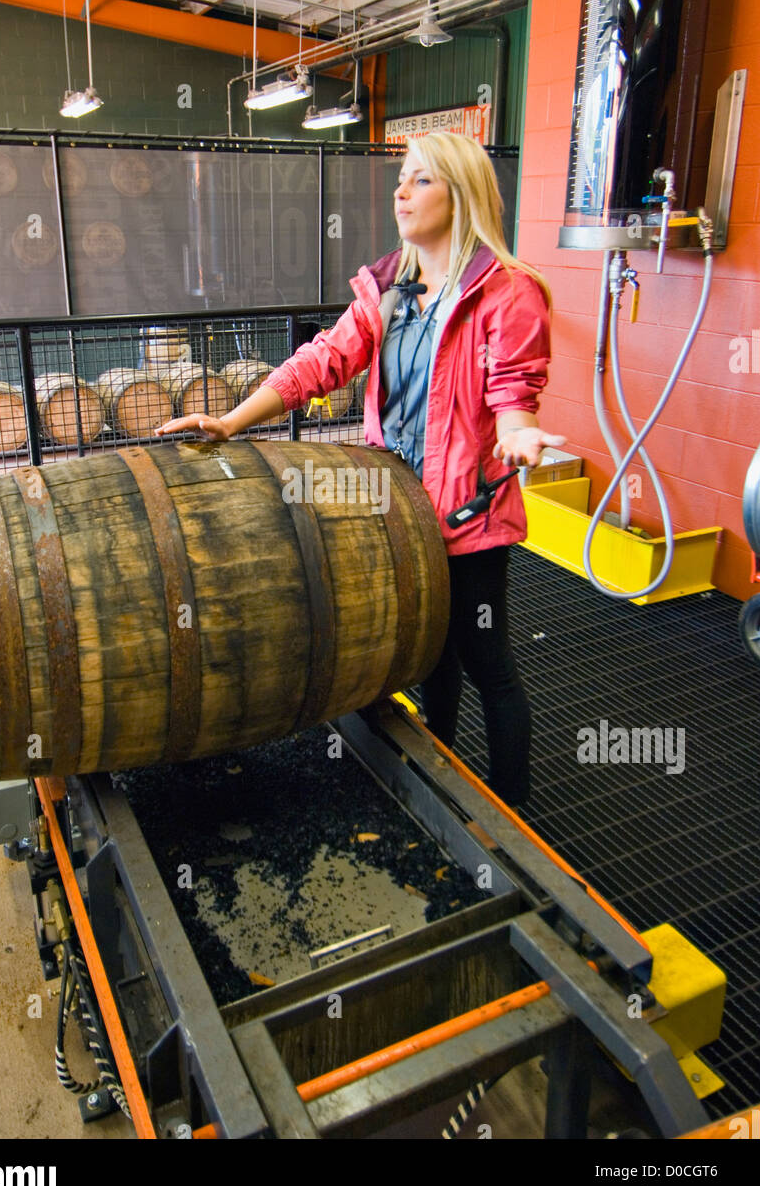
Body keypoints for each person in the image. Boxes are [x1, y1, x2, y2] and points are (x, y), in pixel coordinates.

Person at [156, 132, 564, 807]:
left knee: (487, 663)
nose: (401, 193)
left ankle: (512, 812)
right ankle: (446, 783)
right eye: (402, 179)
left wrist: (519, 437)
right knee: (432, 660)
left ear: (461, 193)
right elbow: (321, 362)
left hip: (467, 521)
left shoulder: (506, 293)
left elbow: (512, 395)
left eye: (422, 180)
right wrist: (230, 421)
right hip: (398, 513)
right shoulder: (391, 292)